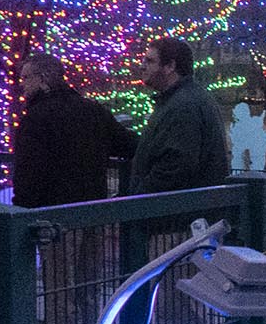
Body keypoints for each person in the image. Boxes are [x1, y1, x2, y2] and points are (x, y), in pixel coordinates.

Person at [12, 53, 137, 208]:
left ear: (43, 79)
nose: (22, 84)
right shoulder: (93, 110)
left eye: (25, 78)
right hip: (91, 210)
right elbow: (127, 145)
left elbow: (27, 173)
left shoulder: (35, 118)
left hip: (49, 214)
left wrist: (21, 209)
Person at [131, 39, 232, 197]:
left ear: (170, 66)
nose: (142, 66)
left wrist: (138, 197)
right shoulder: (187, 99)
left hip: (176, 214)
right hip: (189, 211)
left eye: (149, 61)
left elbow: (176, 167)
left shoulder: (183, 107)